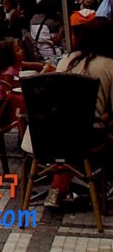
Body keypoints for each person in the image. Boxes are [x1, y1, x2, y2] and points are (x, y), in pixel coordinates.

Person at [43, 17, 113, 210]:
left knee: (74, 136)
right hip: (88, 137)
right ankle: (102, 186)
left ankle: (63, 186)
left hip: (52, 136)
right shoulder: (108, 65)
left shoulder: (66, 60)